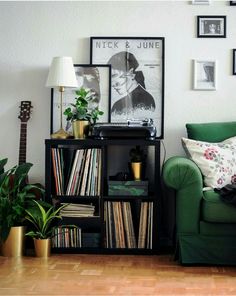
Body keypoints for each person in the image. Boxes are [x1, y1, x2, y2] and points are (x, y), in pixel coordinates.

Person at [107, 51, 155, 116]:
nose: (112, 83)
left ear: (130, 72)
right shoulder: (119, 104)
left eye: (114, 75)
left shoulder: (145, 101)